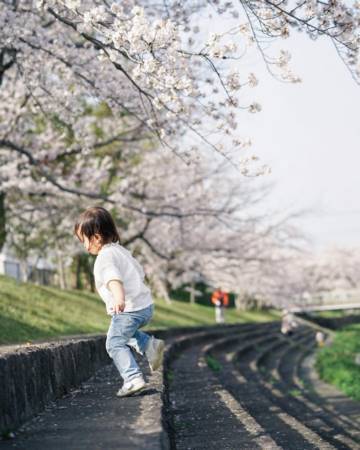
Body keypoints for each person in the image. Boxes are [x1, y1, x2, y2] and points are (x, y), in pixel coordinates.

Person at [74, 206, 165, 397]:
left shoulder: (104, 257)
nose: (84, 246)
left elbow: (113, 278)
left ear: (96, 237)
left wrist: (119, 298)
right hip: (144, 306)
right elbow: (139, 272)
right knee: (125, 333)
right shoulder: (120, 251)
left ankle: (132, 378)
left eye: (84, 240)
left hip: (129, 308)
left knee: (114, 343)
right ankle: (150, 346)